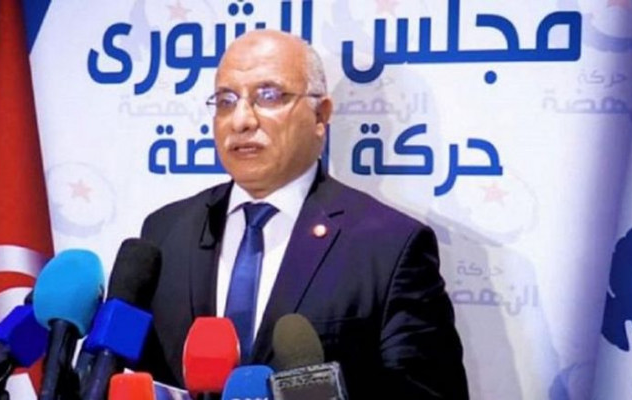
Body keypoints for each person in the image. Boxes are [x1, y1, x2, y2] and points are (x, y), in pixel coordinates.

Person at [137, 29, 468, 399]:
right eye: (226, 101)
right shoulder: (164, 232)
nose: (241, 120)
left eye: (268, 96)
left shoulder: (389, 247)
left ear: (320, 115)